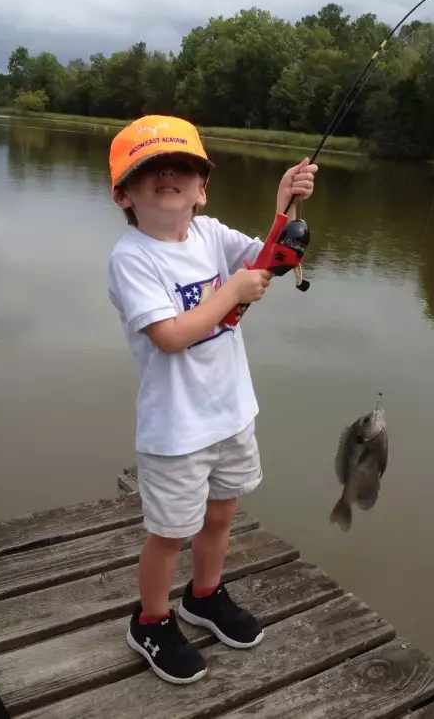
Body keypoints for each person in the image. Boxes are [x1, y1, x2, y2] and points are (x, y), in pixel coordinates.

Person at [107, 114, 317, 685]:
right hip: (176, 429)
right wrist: (231, 291)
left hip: (231, 412)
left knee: (222, 513)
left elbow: (273, 260)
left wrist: (285, 210)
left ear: (203, 188)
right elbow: (170, 336)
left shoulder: (211, 235)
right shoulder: (132, 259)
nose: (169, 175)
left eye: (184, 168)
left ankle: (203, 596)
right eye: (152, 169)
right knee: (170, 530)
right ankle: (150, 620)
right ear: (124, 193)